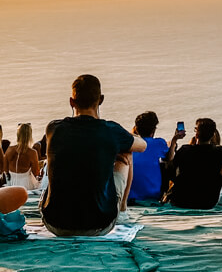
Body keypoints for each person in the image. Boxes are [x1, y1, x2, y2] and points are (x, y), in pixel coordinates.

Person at [42, 75, 145, 236]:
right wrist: (117, 146)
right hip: (99, 224)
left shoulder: (53, 128)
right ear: (101, 100)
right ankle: (123, 209)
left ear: (71, 101)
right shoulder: (111, 130)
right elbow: (142, 146)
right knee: (127, 152)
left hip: (55, 223)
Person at [166, 118, 222, 209]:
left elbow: (170, 171)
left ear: (196, 135)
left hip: (181, 200)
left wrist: (174, 141)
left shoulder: (184, 150)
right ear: (213, 135)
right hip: (208, 201)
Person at [129, 111, 169, 202]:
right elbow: (169, 158)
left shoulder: (129, 144)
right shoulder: (159, 143)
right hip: (153, 194)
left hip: (130, 196)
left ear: (136, 128)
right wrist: (174, 142)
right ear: (153, 130)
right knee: (163, 164)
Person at [4, 124, 41, 191]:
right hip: (26, 184)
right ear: (29, 136)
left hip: (12, 183)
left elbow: (5, 169)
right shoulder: (32, 152)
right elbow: (36, 172)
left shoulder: (9, 149)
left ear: (18, 135)